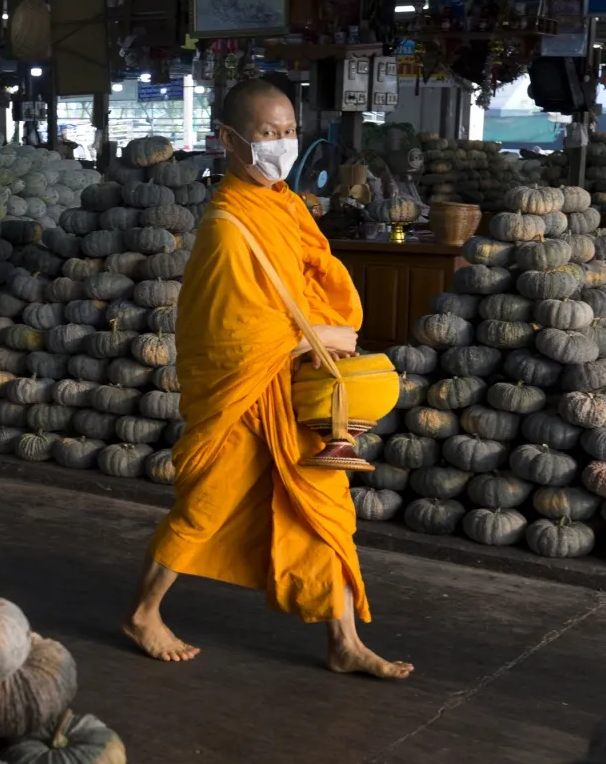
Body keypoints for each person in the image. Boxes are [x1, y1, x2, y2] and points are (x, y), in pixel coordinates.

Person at [124, 79, 412, 679]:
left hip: (293, 391)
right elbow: (230, 333)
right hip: (247, 391)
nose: (281, 144)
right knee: (208, 502)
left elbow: (308, 278)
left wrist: (319, 328)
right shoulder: (229, 224)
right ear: (227, 140)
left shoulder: (282, 202)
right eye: (266, 134)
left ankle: (343, 640)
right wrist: (322, 337)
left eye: (288, 133)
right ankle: (144, 612)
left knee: (323, 503)